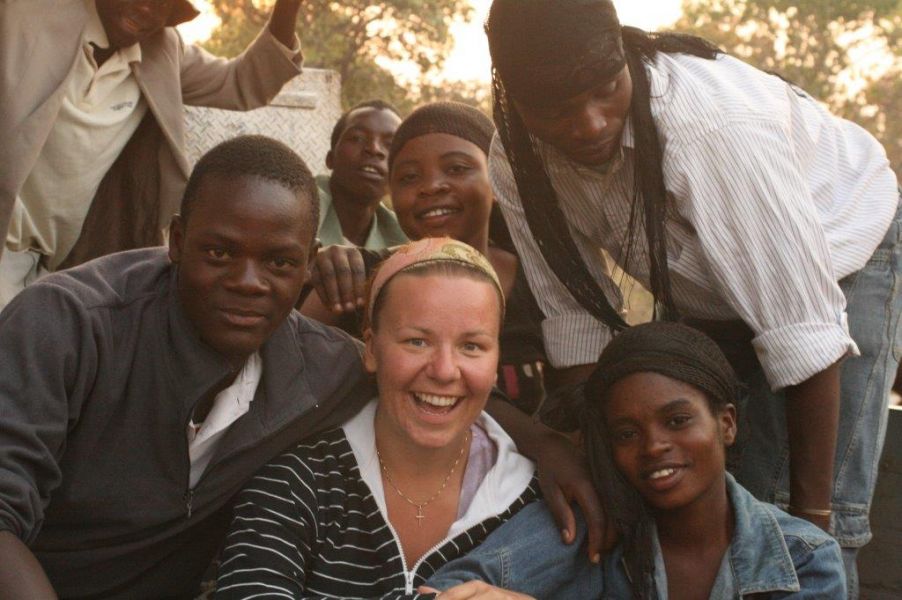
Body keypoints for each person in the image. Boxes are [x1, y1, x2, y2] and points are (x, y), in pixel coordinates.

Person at [483, 0, 901, 593]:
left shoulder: (710, 126)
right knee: (693, 502)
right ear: (516, 100)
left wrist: (809, 530)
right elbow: (577, 319)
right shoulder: (515, 156)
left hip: (840, 261)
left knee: (791, 516)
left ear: (623, 55)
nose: (592, 124)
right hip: (710, 291)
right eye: (558, 110)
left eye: (606, 90)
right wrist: (596, 466)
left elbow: (806, 335)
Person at [0, 135, 374, 598]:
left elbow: (433, 363)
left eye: (279, 262)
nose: (248, 283)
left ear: (309, 265)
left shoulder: (327, 369)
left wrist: (372, 267)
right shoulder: (67, 323)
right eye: (219, 253)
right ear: (176, 241)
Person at [215, 237, 539, 598]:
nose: (445, 370)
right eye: (417, 341)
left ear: (496, 362)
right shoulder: (296, 482)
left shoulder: (536, 497)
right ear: (370, 348)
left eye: (472, 346)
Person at [426, 323, 847, 599]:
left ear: (727, 424)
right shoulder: (589, 527)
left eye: (677, 421)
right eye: (627, 433)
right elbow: (443, 589)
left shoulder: (804, 558)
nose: (654, 446)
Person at [0, 0, 306, 310]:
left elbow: (240, 81)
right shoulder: (25, 15)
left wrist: (287, 7)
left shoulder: (161, 51)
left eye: (162, 3)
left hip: (56, 263)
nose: (146, 9)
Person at [304, 101, 551, 418]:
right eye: (409, 177)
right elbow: (290, 379)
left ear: (497, 180)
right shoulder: (356, 278)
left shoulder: (542, 282)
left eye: (456, 169)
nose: (431, 187)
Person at [316, 100, 409, 249]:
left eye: (390, 144)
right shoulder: (296, 209)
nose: (374, 149)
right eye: (357, 138)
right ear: (330, 159)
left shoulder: (404, 240)